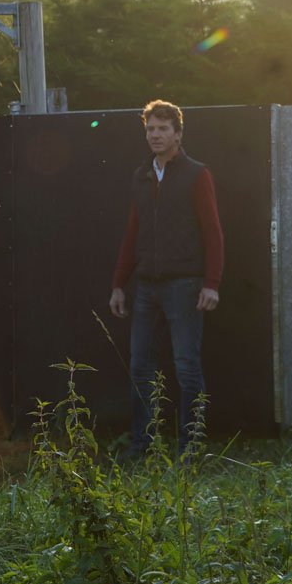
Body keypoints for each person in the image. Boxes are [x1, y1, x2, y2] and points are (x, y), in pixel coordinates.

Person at [109, 100, 224, 459]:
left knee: (186, 365)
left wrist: (212, 283)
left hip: (185, 285)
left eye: (162, 129)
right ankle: (141, 445)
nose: (155, 135)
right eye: (150, 129)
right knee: (140, 365)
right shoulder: (142, 175)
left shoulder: (196, 174)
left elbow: (213, 232)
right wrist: (118, 283)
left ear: (178, 133)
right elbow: (133, 231)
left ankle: (191, 448)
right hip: (146, 286)